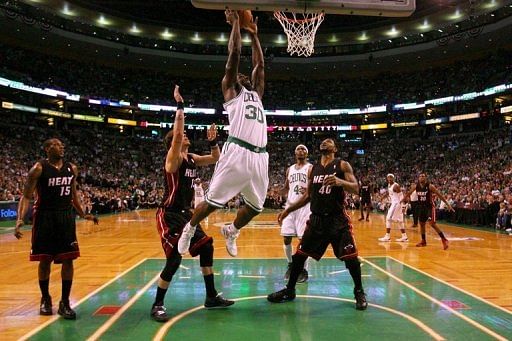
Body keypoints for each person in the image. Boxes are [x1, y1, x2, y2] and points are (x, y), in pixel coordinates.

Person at [178, 10, 268, 257]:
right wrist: (237, 23)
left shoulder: (256, 95)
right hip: (237, 151)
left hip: (260, 156)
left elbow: (259, 65)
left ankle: (232, 230)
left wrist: (255, 35)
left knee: (256, 207)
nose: (241, 75)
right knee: (211, 202)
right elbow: (235, 54)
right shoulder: (231, 91)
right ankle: (190, 228)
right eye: (238, 74)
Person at [151, 85, 234, 322]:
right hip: (168, 214)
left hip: (187, 215)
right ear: (173, 143)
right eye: (182, 135)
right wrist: (180, 105)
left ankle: (211, 296)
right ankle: (157, 303)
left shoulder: (191, 159)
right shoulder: (174, 158)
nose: (186, 135)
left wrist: (213, 142)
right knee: (175, 258)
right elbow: (177, 134)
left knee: (207, 246)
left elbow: (216, 159)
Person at [268, 138, 367, 311]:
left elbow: (356, 188)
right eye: (322, 141)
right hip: (317, 220)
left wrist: (340, 182)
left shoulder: (342, 165)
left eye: (328, 141)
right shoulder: (313, 169)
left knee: (351, 258)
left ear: (334, 148)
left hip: (337, 220)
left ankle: (359, 291)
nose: (324, 142)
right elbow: (308, 195)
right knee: (299, 256)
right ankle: (290, 290)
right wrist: (288, 210)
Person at [14, 138, 98, 319]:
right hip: (44, 217)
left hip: (65, 217)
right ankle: (45, 299)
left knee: (69, 260)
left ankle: (65, 302)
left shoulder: (72, 168)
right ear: (47, 149)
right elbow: (26, 196)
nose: (61, 147)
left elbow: (73, 194)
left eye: (62, 145)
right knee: (44, 261)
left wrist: (83, 214)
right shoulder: (38, 169)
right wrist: (20, 218)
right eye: (57, 145)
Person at [280, 144, 311, 282]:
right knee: (286, 238)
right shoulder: (289, 169)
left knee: (303, 241)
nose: (301, 151)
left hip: (304, 208)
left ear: (307, 154)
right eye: (298, 149)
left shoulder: (310, 168)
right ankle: (291, 263)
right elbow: (286, 187)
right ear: (294, 152)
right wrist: (277, 192)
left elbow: (310, 191)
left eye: (304, 149)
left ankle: (304, 268)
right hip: (290, 207)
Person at [402, 173, 454, 250]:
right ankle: (423, 241)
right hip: (421, 207)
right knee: (422, 224)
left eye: (423, 176)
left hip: (429, 207)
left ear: (426, 178)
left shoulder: (430, 186)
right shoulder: (416, 186)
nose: (421, 177)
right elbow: (409, 193)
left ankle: (444, 239)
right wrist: (402, 200)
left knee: (432, 223)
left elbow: (439, 195)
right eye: (420, 176)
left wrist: (448, 204)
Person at [378, 174, 408, 242]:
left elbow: (401, 196)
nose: (389, 178)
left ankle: (387, 236)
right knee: (400, 221)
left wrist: (403, 206)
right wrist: (383, 197)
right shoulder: (389, 185)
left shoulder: (396, 186)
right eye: (388, 177)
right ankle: (404, 236)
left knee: (388, 219)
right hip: (395, 204)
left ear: (393, 178)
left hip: (397, 204)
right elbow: (389, 193)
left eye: (391, 177)